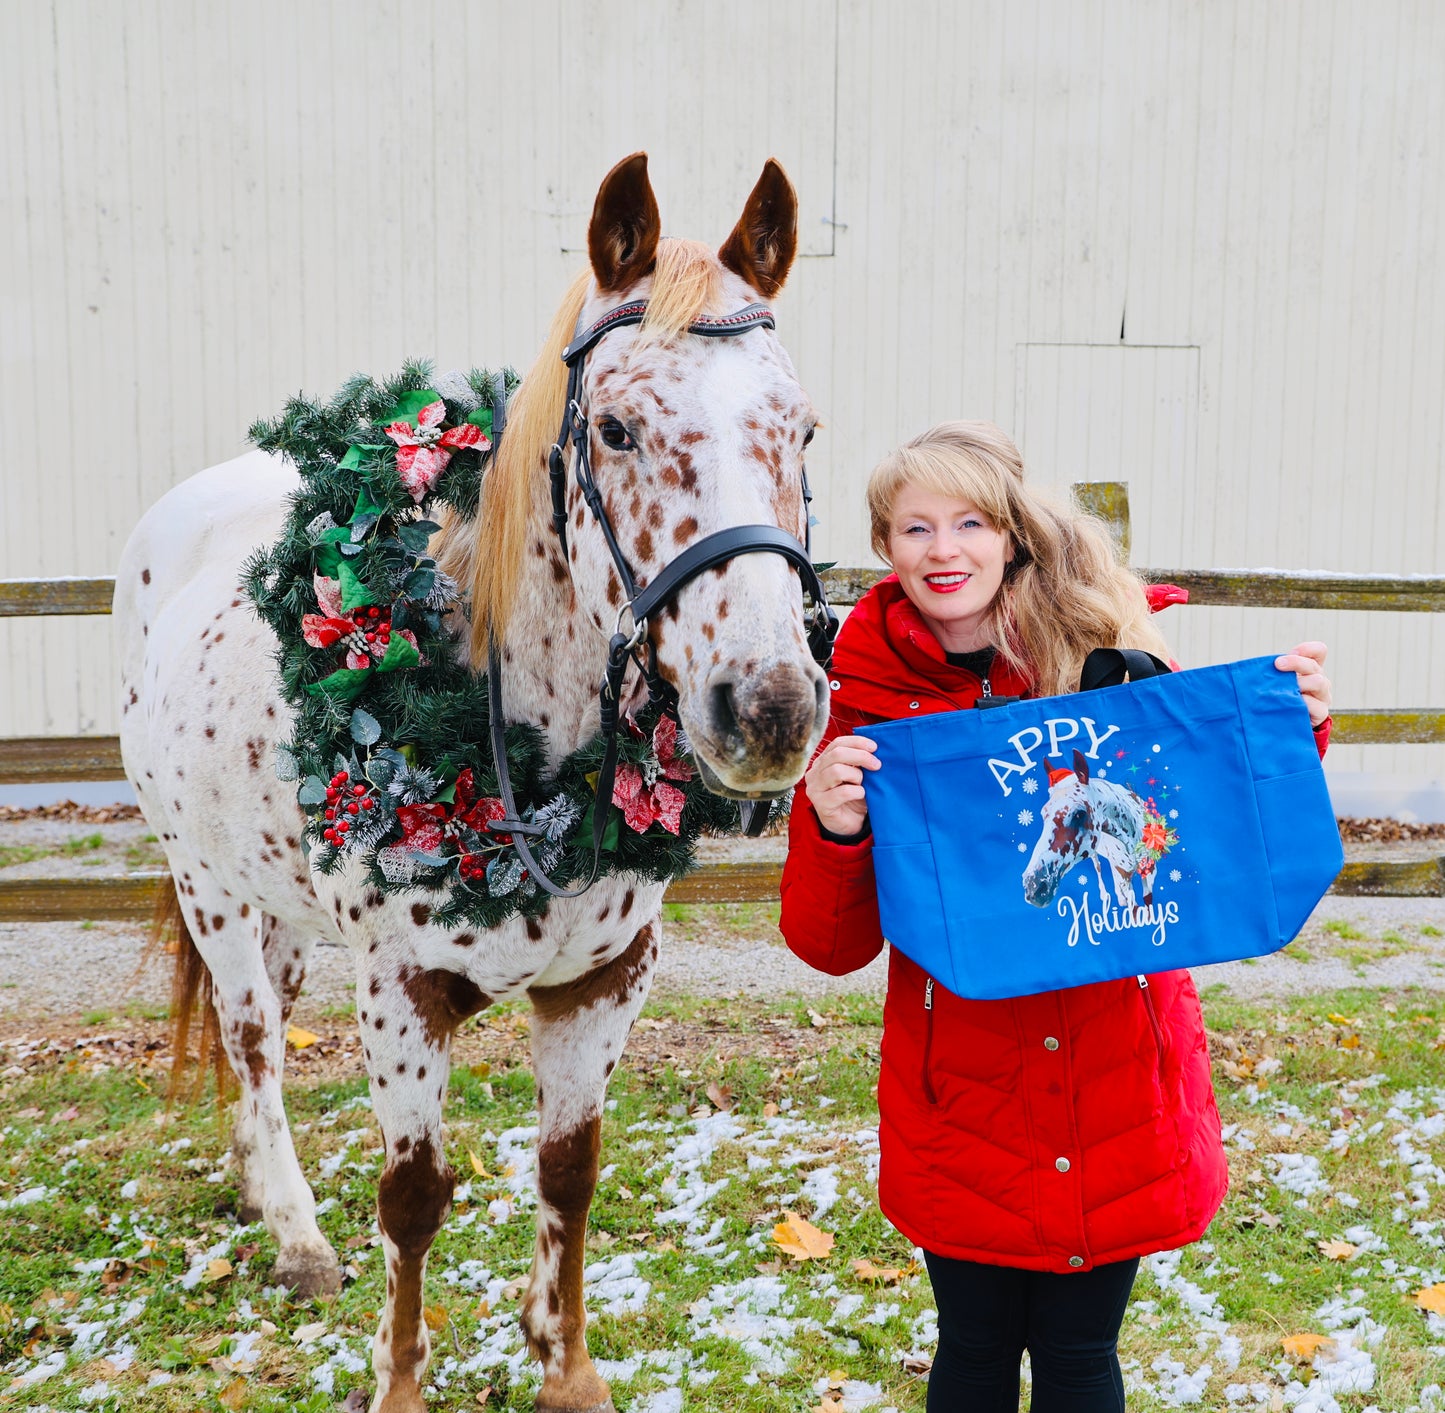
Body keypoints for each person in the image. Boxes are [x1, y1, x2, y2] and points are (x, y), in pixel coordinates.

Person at [779, 422, 1332, 1412]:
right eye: (913, 527)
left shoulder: (1109, 662)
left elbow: (1199, 837)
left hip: (1115, 1071)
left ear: (1010, 537)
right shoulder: (861, 710)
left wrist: (1296, 729)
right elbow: (827, 945)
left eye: (967, 523)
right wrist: (830, 825)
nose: (941, 549)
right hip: (965, 1094)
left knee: (1079, 1355)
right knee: (976, 1352)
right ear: (884, 547)